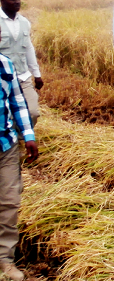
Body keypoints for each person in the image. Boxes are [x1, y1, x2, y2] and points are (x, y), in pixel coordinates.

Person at [0, 35, 39, 281]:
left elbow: (16, 101)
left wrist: (28, 135)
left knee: (10, 202)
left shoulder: (5, 64)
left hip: (5, 145)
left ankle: (5, 260)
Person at [0, 0, 43, 126]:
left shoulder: (24, 22)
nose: (17, 1)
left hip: (22, 76)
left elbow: (29, 48)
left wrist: (36, 74)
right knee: (6, 113)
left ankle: (22, 136)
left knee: (33, 112)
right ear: (2, 0)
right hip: (3, 79)